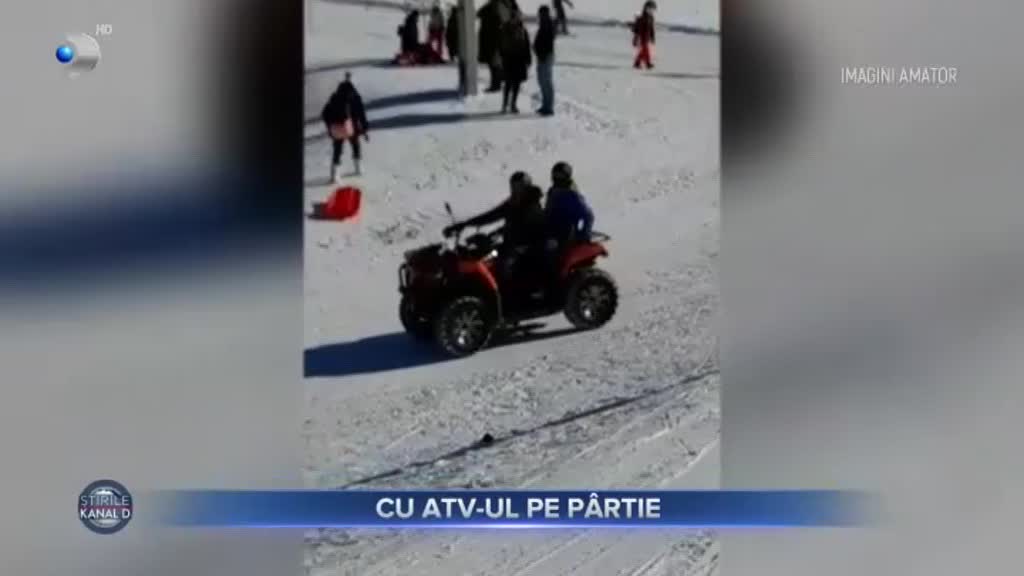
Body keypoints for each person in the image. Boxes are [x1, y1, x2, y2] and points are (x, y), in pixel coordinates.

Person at [443, 171, 546, 280]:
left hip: (527, 250)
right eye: (513, 187)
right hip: (511, 246)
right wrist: (465, 224)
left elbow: (526, 228)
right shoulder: (513, 203)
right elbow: (491, 216)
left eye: (519, 187)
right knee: (484, 256)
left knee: (501, 265)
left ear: (527, 188)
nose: (516, 190)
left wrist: (503, 233)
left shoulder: (532, 205)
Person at [321, 72, 370, 182]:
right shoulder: (355, 97)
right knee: (355, 145)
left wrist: (330, 127)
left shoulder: (335, 98)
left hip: (337, 128)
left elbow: (325, 114)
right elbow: (361, 113)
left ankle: (335, 173)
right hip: (352, 127)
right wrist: (365, 127)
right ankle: (358, 167)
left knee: (337, 149)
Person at [544, 161, 593, 249]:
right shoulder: (552, 191)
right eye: (556, 175)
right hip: (550, 230)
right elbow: (548, 211)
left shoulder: (572, 194)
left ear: (567, 176)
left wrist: (584, 234)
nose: (557, 178)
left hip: (564, 234)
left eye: (561, 176)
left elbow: (588, 215)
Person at [499, 10, 531, 114]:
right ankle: (505, 104)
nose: (516, 19)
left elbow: (527, 45)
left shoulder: (522, 29)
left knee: (516, 83)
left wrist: (528, 59)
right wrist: (501, 57)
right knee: (508, 83)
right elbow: (500, 44)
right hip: (509, 58)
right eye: (514, 17)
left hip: (519, 59)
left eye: (517, 17)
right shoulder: (505, 28)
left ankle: (513, 104)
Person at [478, 0, 513, 92]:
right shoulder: (503, 5)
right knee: (496, 63)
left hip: (495, 40)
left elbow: (480, 14)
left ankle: (496, 84)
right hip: (496, 40)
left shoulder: (497, 6)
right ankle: (499, 82)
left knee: (495, 64)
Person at [533, 5, 556, 116]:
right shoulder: (544, 24)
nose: (540, 15)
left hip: (545, 56)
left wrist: (541, 53)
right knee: (542, 81)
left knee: (546, 81)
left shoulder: (547, 25)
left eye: (541, 13)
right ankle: (545, 105)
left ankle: (548, 106)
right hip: (543, 56)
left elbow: (547, 42)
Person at [632, 1, 656, 69]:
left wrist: (652, 37)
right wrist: (635, 38)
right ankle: (648, 63)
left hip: (647, 37)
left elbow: (651, 29)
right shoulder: (641, 17)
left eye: (652, 9)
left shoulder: (651, 18)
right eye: (649, 8)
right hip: (641, 37)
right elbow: (636, 29)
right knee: (646, 50)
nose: (651, 10)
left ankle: (637, 63)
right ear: (645, 8)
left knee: (643, 51)